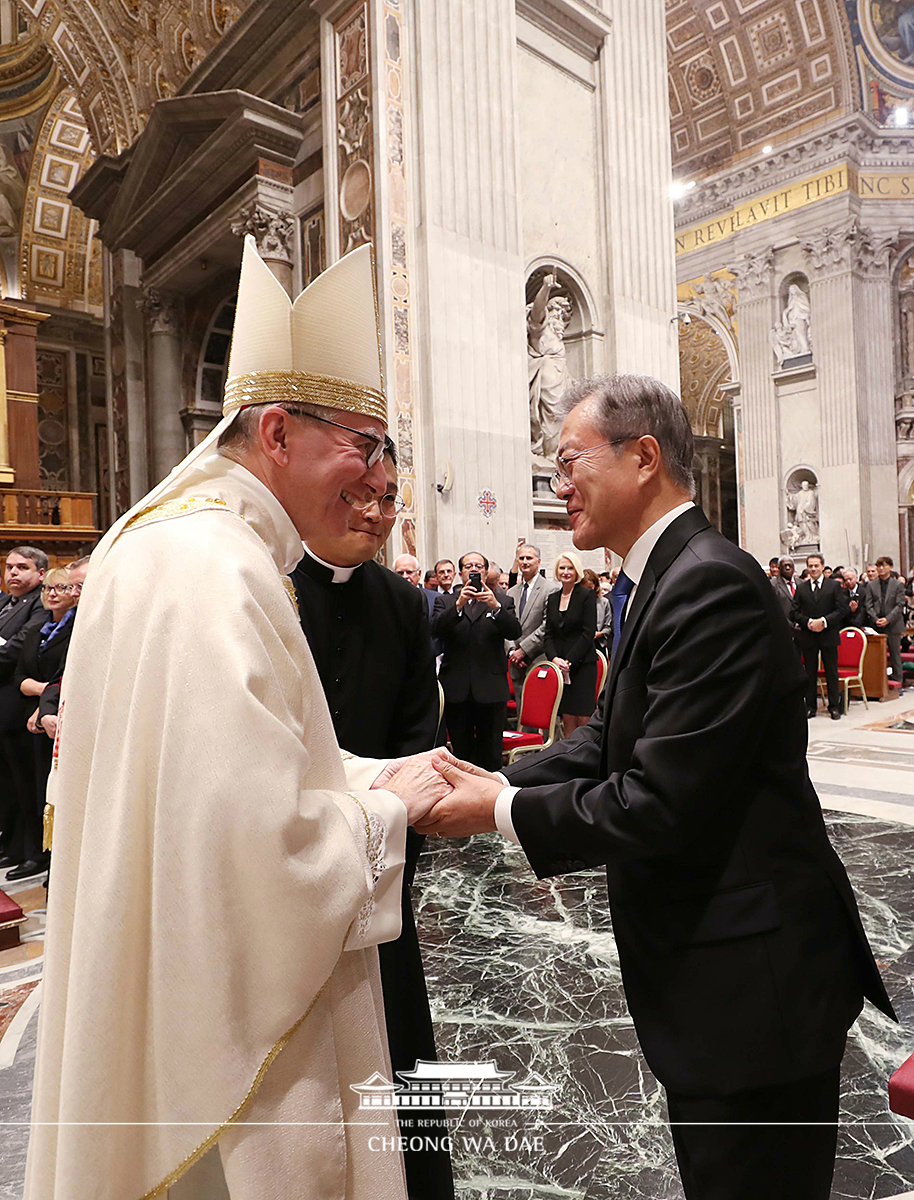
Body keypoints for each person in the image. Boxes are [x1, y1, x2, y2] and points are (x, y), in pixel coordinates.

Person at [24, 237, 452, 1200]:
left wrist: (356, 773)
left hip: (156, 969)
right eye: (362, 442)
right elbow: (261, 850)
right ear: (274, 434)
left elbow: (218, 767)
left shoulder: (157, 544)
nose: (375, 474)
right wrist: (387, 810)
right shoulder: (222, 568)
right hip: (224, 1042)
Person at [416, 372, 894, 1200]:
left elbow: (658, 799)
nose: (557, 483)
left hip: (756, 987)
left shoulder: (707, 582)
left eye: (569, 460)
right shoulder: (656, 575)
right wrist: (502, 774)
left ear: (643, 457)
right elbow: (610, 735)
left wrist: (496, 811)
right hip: (715, 976)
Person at [291, 446, 454, 1200]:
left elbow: (418, 729)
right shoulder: (268, 587)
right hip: (289, 868)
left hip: (379, 872)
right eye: (360, 493)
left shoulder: (400, 601)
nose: (376, 513)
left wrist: (391, 836)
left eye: (388, 498)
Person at [6, 569, 77, 881]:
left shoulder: (77, 628)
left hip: (58, 716)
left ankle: (58, 862)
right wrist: (40, 689)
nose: (52, 593)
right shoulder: (38, 629)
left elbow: (66, 675)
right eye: (49, 588)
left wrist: (43, 694)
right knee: (34, 790)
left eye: (61, 587)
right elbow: (19, 676)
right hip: (36, 716)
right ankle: (38, 853)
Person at [434, 550, 521, 770]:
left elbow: (514, 631)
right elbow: (435, 629)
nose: (474, 569)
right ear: (460, 573)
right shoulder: (445, 602)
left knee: (491, 753)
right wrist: (458, 605)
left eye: (479, 566)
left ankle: (490, 800)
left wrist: (496, 608)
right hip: (457, 687)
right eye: (468, 566)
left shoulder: (502, 599)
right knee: (461, 753)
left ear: (485, 571)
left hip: (491, 688)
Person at [0, 546, 48, 867]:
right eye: (9, 567)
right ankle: (12, 845)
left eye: (22, 567)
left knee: (25, 782)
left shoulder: (41, 605)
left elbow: (17, 648)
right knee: (6, 782)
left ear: (40, 574)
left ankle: (34, 852)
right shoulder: (6, 603)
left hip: (19, 708)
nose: (13, 573)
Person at [545, 552, 598, 737]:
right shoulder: (552, 598)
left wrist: (569, 661)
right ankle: (569, 760)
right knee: (567, 716)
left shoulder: (587, 595)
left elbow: (588, 632)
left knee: (583, 717)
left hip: (582, 664)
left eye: (570, 568)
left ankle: (587, 759)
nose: (566, 572)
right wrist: (554, 659)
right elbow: (548, 634)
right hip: (560, 667)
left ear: (577, 572)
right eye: (562, 568)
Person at [791, 553, 847, 719]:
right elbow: (793, 612)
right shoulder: (802, 588)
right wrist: (808, 622)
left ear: (823, 566)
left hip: (828, 633)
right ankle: (811, 706)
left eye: (816, 566)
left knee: (831, 671)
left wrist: (823, 621)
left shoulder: (834, 586)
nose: (813, 569)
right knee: (810, 672)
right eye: (810, 566)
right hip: (809, 635)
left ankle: (834, 706)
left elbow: (842, 610)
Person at [505, 543, 553, 698]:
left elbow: (547, 625)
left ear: (538, 562)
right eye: (521, 558)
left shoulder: (550, 589)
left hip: (538, 659)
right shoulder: (511, 592)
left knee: (539, 714)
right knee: (522, 716)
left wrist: (523, 650)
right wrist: (512, 651)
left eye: (529, 558)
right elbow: (506, 623)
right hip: (516, 664)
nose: (525, 561)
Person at [866, 555, 906, 693]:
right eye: (879, 566)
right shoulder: (871, 585)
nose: (881, 568)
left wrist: (888, 619)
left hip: (893, 623)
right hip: (877, 623)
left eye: (884, 566)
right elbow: (868, 604)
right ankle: (879, 682)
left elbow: (900, 605)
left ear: (891, 567)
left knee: (895, 654)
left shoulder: (898, 584)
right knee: (877, 654)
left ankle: (898, 682)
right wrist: (875, 618)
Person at [770, 555, 797, 628]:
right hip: (783, 626)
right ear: (779, 568)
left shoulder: (801, 583)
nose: (788, 568)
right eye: (785, 566)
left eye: (789, 566)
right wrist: (791, 625)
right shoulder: (773, 584)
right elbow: (774, 608)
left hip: (802, 628)